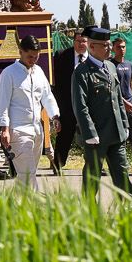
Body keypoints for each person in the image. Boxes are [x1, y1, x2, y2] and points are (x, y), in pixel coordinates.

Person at [72, 26, 132, 196]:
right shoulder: (82, 72)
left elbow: (118, 98)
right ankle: (89, 210)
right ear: (92, 46)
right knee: (93, 178)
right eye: (105, 45)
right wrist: (89, 133)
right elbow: (80, 105)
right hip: (96, 136)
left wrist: (124, 124)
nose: (109, 48)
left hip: (116, 132)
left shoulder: (111, 67)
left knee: (122, 175)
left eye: (109, 44)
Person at [0, 32, 61, 190]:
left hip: (37, 129)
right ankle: (35, 202)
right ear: (20, 52)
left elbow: (47, 96)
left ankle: (18, 203)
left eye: (36, 57)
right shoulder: (9, 73)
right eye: (29, 56)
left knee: (28, 174)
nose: (33, 60)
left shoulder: (39, 71)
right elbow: (3, 102)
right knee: (27, 173)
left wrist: (55, 116)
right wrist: (4, 128)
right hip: (18, 129)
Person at [50, 29, 85, 172]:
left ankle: (94, 165)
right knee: (65, 134)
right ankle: (57, 164)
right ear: (73, 41)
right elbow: (55, 82)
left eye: (84, 41)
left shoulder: (93, 58)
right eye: (78, 41)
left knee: (91, 135)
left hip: (87, 104)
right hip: (67, 104)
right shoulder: (62, 55)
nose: (81, 44)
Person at [109, 34, 132, 159]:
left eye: (123, 47)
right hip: (117, 106)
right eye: (118, 47)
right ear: (113, 48)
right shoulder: (110, 65)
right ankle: (120, 161)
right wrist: (123, 102)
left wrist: (131, 101)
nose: (121, 49)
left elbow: (130, 84)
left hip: (131, 103)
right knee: (119, 135)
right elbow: (110, 89)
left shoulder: (129, 64)